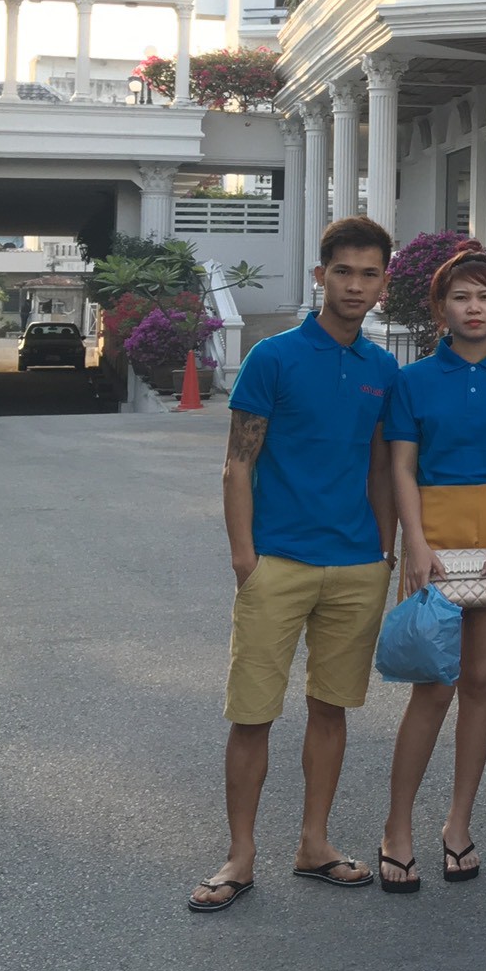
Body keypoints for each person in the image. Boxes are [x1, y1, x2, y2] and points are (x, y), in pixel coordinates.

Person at [188, 216, 399, 912]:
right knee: (253, 715)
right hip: (277, 562)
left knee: (330, 711)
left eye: (369, 274)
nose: (355, 286)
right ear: (320, 276)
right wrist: (244, 558)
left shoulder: (382, 369)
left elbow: (381, 468)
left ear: (383, 283)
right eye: (343, 272)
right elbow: (238, 463)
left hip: (356, 563)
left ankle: (315, 842)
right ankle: (240, 854)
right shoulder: (273, 358)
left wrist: (385, 551)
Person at [379, 244, 486, 892]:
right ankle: (397, 827)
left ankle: (459, 823)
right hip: (435, 535)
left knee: (482, 681)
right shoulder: (413, 380)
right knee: (434, 683)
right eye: (460, 297)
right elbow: (401, 467)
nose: (473, 308)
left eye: (485, 296)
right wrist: (415, 544)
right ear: (440, 309)